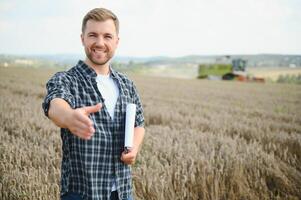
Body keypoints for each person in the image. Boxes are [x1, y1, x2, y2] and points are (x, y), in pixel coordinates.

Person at [42, 8, 145, 200]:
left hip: (123, 192)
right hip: (82, 193)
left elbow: (139, 124)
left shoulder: (127, 84)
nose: (100, 43)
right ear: (82, 39)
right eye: (93, 35)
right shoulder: (67, 79)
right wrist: (69, 117)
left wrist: (135, 148)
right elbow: (54, 104)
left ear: (117, 41)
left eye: (107, 36)